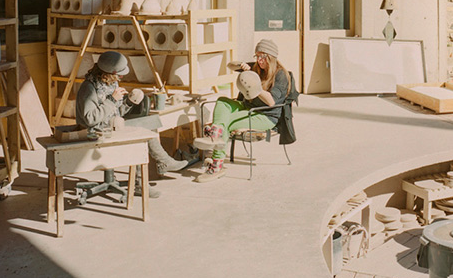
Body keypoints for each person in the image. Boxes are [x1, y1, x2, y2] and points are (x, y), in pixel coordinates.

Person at [75, 51, 188, 195]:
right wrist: (113, 100)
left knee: (151, 121)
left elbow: (116, 112)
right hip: (94, 132)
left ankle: (162, 163)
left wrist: (129, 102)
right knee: (142, 131)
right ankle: (151, 173)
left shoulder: (109, 83)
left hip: (110, 125)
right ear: (109, 72)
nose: (121, 77)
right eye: (119, 74)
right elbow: (90, 119)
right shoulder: (89, 88)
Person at [195, 39, 291, 182]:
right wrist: (241, 65)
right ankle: (216, 133)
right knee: (222, 101)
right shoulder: (257, 67)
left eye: (262, 56)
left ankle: (217, 164)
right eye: (256, 56)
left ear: (271, 57)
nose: (259, 60)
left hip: (265, 115)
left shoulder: (280, 75)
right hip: (249, 107)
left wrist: (255, 85)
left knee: (228, 121)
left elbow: (271, 102)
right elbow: (230, 66)